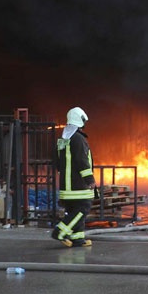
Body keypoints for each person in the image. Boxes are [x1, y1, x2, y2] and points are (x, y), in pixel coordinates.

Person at [53, 106, 95, 248]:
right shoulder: (78, 139)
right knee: (83, 208)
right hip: (78, 186)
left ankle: (78, 239)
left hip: (67, 185)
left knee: (73, 210)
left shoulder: (63, 139)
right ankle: (60, 232)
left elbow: (57, 162)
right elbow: (82, 161)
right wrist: (89, 179)